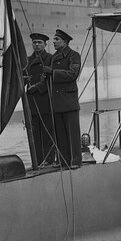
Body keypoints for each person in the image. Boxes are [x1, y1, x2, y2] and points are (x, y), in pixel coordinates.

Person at [43, 29, 82, 169]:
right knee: (60, 135)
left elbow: (73, 74)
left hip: (69, 101)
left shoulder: (74, 56)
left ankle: (76, 161)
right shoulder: (54, 57)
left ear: (65, 42)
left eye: (56, 39)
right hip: (57, 102)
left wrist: (53, 72)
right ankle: (63, 161)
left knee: (73, 134)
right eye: (54, 39)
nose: (53, 42)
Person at [24, 33, 55, 166]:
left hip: (45, 100)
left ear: (45, 45)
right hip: (32, 103)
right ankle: (37, 161)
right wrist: (25, 81)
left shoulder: (50, 59)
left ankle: (48, 160)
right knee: (35, 134)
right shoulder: (27, 60)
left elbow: (51, 79)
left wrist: (37, 87)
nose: (37, 45)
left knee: (47, 132)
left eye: (39, 42)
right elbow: (22, 77)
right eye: (35, 42)